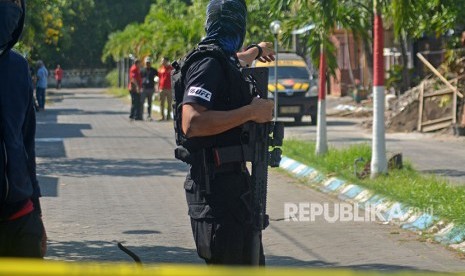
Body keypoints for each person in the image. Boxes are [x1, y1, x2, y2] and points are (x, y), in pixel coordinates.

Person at [178, 0, 275, 265]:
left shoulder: (221, 58)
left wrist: (256, 50)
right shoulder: (208, 63)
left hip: (232, 189)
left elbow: (234, 60)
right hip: (215, 191)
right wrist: (251, 112)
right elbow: (192, 122)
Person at [0, 0, 46, 258]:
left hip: (22, 217)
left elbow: (26, 144)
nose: (11, 6)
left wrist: (37, 214)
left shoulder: (18, 67)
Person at [140, 56, 158, 121]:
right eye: (147, 62)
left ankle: (149, 116)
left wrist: (156, 86)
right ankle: (141, 115)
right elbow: (139, 79)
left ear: (151, 63)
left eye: (149, 62)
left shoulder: (154, 70)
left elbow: (157, 78)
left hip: (151, 89)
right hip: (144, 89)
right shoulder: (142, 70)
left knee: (149, 103)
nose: (148, 64)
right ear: (145, 63)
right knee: (142, 102)